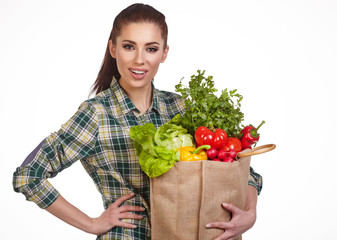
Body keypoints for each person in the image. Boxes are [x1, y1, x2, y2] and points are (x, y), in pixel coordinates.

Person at [13, 3, 262, 240]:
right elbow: (28, 176)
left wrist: (249, 214)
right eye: (129, 46)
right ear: (113, 49)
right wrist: (91, 224)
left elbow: (241, 171)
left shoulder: (180, 108)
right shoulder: (96, 114)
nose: (139, 60)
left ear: (164, 53)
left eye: (151, 49)